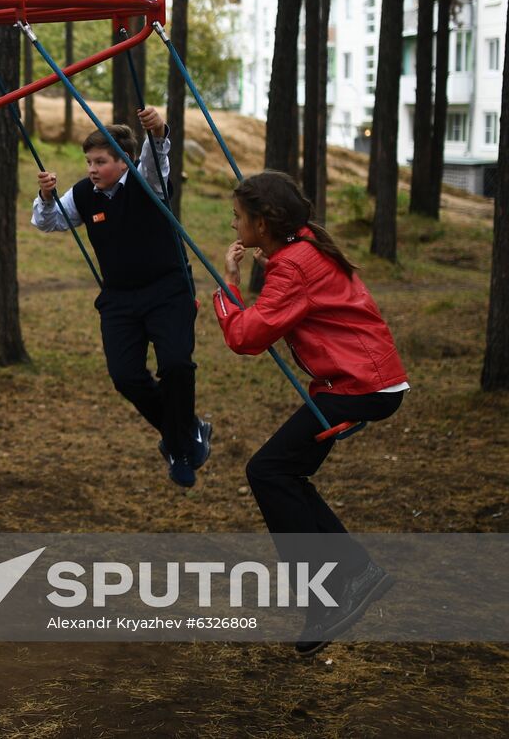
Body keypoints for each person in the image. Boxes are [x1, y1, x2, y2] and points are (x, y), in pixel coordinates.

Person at [215, 170, 409, 656]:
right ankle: (351, 576)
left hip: (360, 385)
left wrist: (229, 287)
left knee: (268, 470)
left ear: (262, 223)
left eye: (239, 217)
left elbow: (246, 338)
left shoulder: (295, 265)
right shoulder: (300, 250)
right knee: (283, 474)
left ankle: (332, 590)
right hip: (364, 381)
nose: (233, 224)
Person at [31, 108, 212, 488]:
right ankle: (186, 430)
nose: (92, 169)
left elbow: (156, 155)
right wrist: (46, 197)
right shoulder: (84, 194)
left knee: (176, 365)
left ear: (124, 161)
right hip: (120, 299)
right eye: (89, 162)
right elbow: (48, 222)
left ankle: (179, 448)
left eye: (101, 161)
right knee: (125, 376)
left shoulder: (148, 181)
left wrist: (159, 128)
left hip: (167, 290)